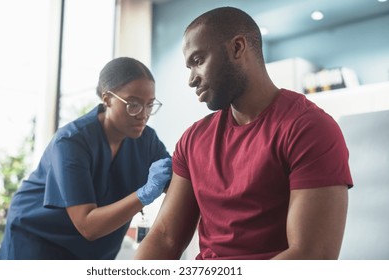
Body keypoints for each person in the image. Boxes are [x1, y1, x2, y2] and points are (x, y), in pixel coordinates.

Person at [134, 7, 353, 260]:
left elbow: (311, 256)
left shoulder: (310, 129)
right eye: (189, 67)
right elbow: (165, 237)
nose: (191, 79)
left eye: (198, 61)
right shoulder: (192, 141)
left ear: (237, 48)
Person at [0, 57, 171, 260]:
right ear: (107, 99)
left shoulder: (147, 141)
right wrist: (144, 194)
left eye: (149, 105)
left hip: (91, 251)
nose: (143, 114)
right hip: (36, 240)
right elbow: (88, 225)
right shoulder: (71, 141)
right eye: (133, 104)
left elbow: (178, 180)